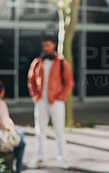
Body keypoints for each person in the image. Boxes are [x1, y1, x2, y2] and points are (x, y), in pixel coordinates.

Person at [27, 35, 74, 169]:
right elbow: (31, 81)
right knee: (39, 130)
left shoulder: (61, 62)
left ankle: (62, 159)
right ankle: (39, 157)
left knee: (59, 131)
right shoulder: (36, 62)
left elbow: (69, 82)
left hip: (57, 102)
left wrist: (61, 97)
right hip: (41, 101)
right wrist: (36, 97)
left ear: (53, 45)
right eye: (44, 45)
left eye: (47, 45)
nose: (45, 48)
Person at [0, 81, 26, 173]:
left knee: (20, 139)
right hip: (3, 134)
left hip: (4, 132)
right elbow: (3, 123)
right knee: (21, 139)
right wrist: (12, 128)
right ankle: (18, 169)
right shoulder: (1, 103)